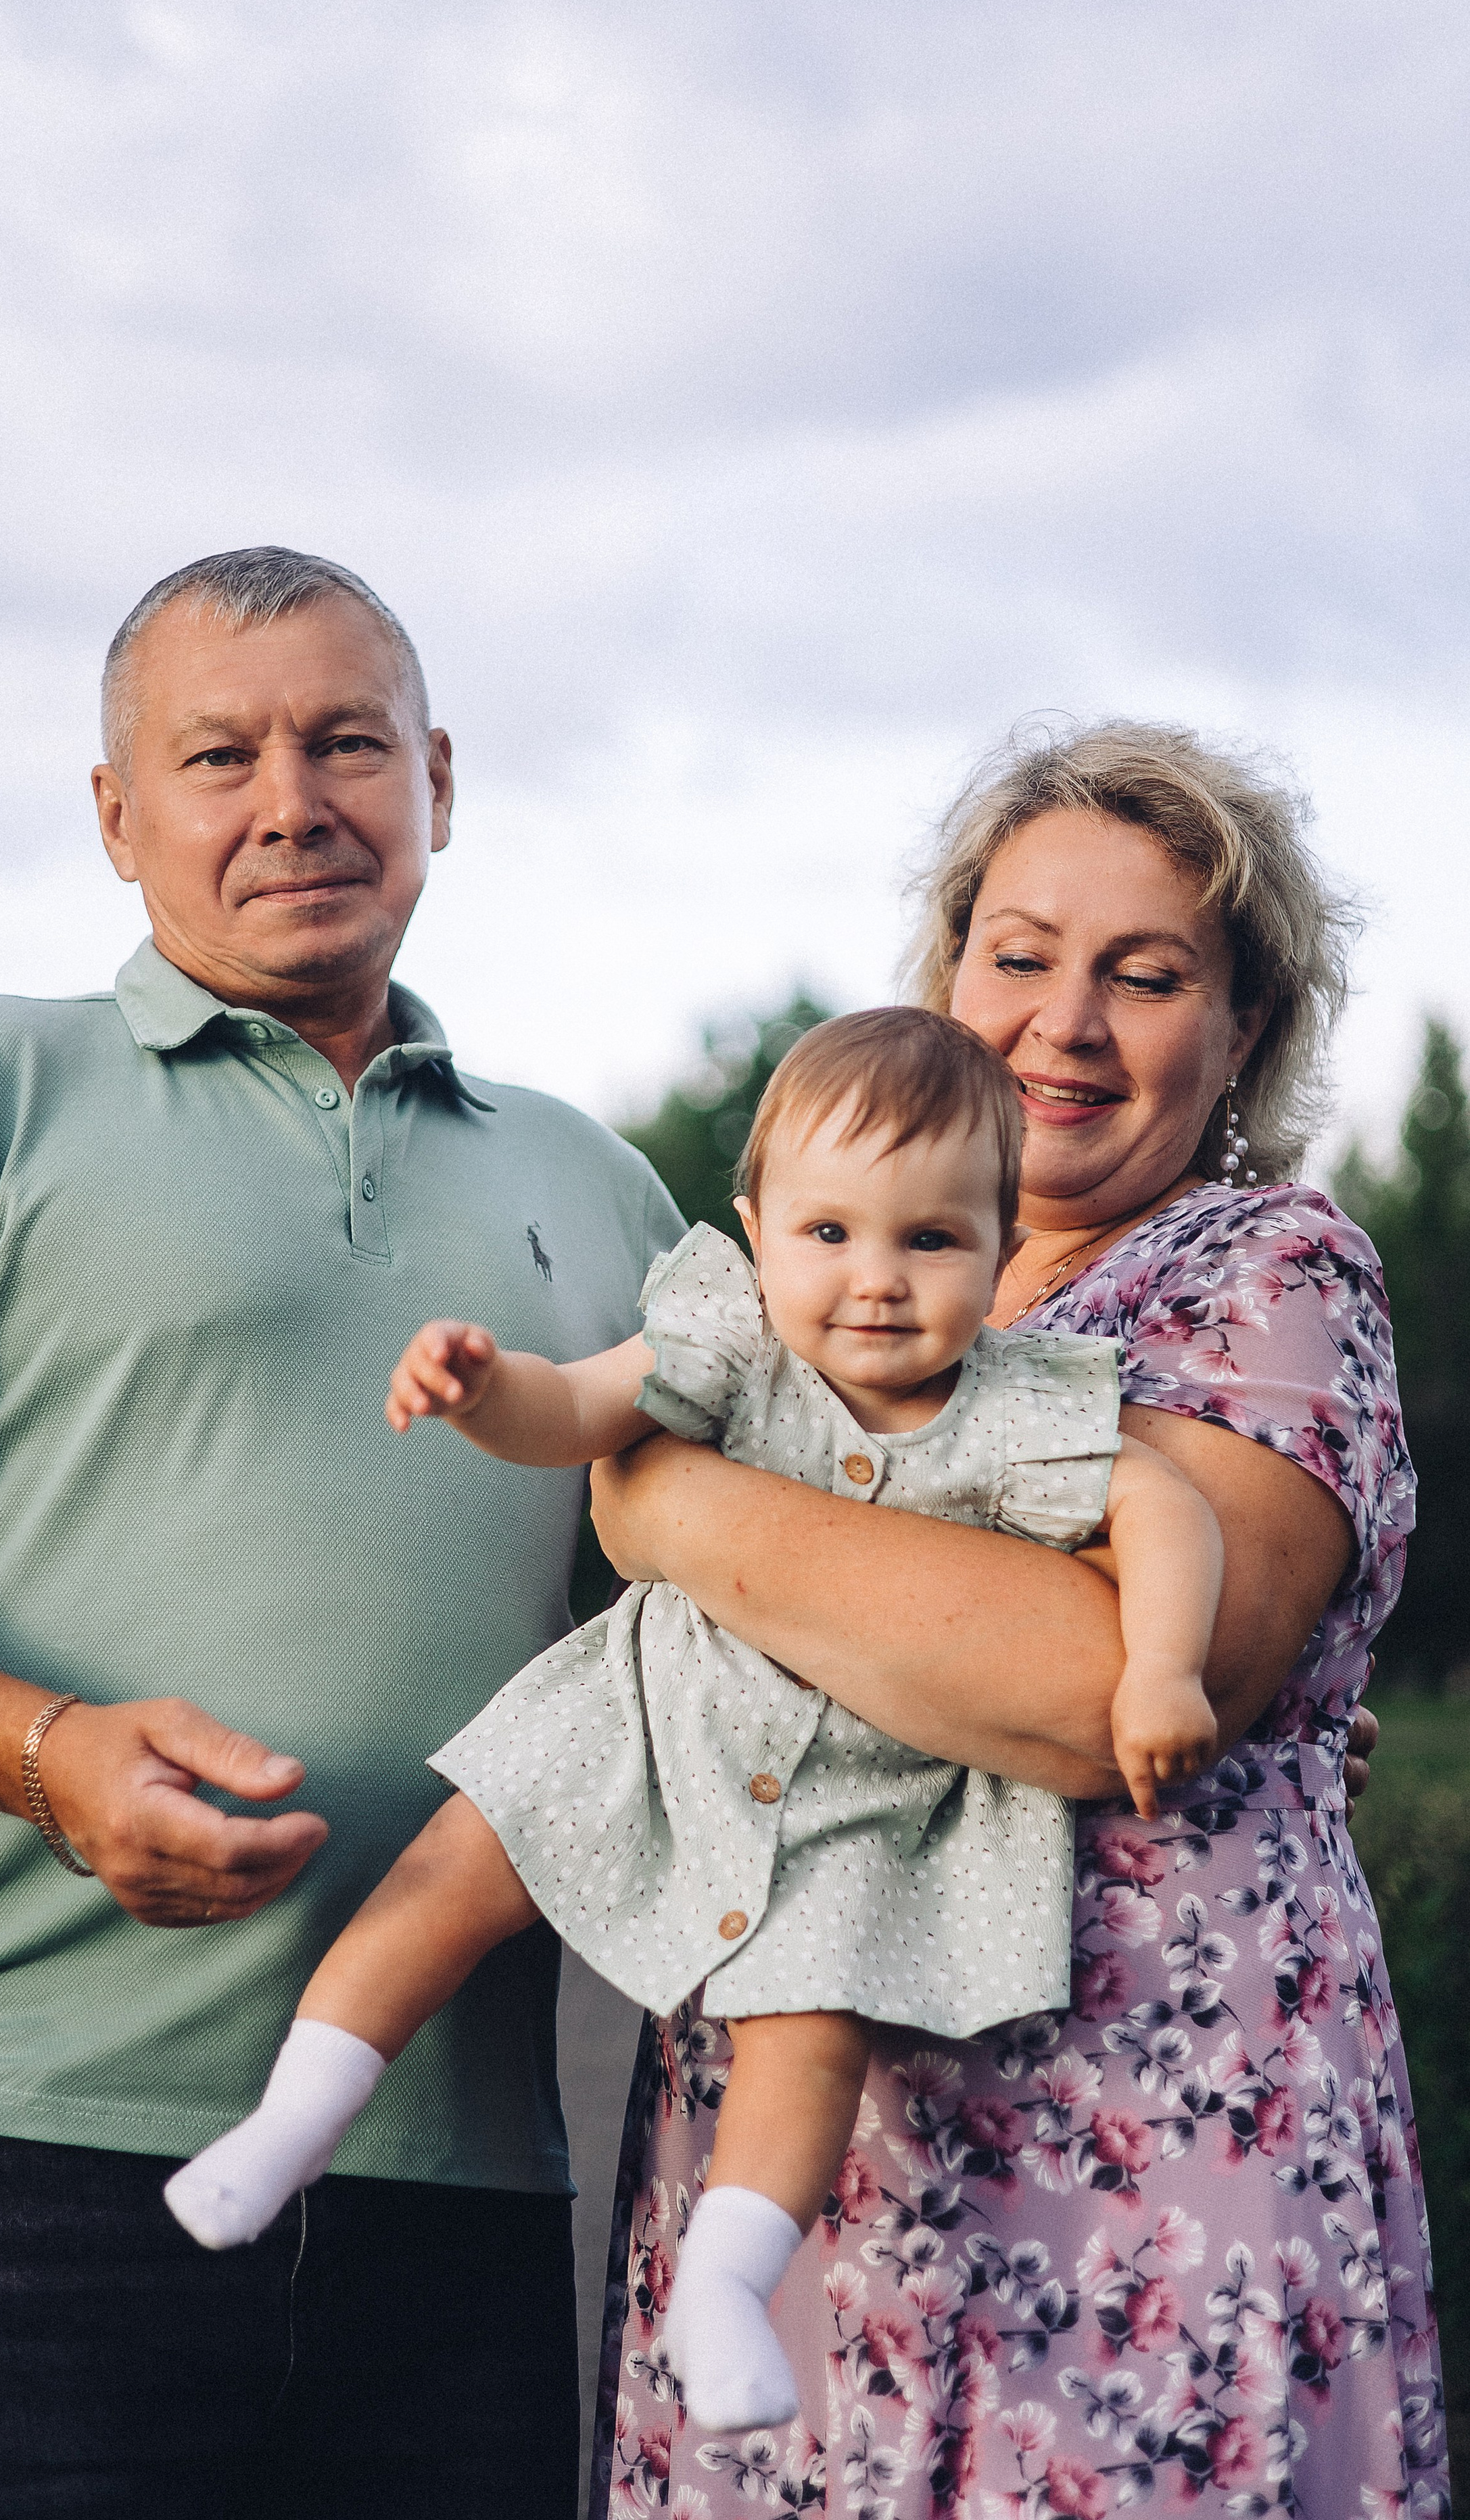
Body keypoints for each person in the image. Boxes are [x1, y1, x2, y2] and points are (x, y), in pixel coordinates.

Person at [0, 547, 683, 2519]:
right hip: (37, 2154)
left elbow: (759, 1594)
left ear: (439, 778)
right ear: (116, 815)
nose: (292, 801)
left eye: (347, 743)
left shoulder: (600, 1185)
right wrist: (45, 1754)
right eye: (218, 755)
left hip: (467, 2172)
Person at [588, 724, 1442, 2519]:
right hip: (803, 2166)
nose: (1065, 1022)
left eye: (1146, 975)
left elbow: (1095, 1683)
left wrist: (672, 1508)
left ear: (1243, 1031)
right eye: (1021, 955)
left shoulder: (1268, 1270)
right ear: (948, 974)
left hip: (1136, 2155)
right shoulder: (836, 1266)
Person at [164, 1006, 1223, 2437]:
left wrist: (1162, 1667)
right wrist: (485, 1391)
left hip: (863, 1797)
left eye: (930, 1239)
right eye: (829, 1232)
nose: (875, 1279)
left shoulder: (1022, 1407)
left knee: (810, 2029)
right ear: (757, 1227)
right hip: (648, 1721)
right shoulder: (728, 1335)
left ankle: (725, 2282)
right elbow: (577, 1410)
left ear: (999, 1244)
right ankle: (290, 2122)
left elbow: (1163, 1507)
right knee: (450, 1868)